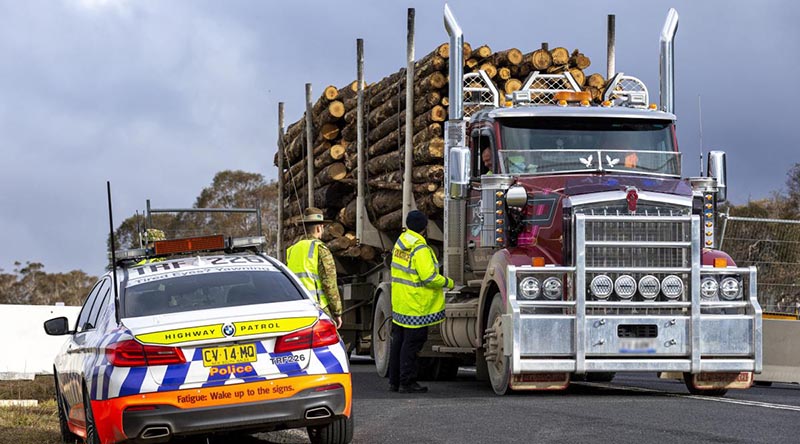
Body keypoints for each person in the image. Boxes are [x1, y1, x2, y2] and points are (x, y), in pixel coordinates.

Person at [388, 210, 454, 393]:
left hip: (401, 302)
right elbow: (429, 277)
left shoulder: (401, 243)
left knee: (399, 342)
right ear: (425, 228)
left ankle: (395, 381)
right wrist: (448, 282)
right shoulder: (420, 248)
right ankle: (407, 382)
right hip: (416, 305)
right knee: (413, 344)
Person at [285, 207, 343, 328]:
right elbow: (329, 284)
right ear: (318, 228)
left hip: (297, 308)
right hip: (317, 308)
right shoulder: (320, 249)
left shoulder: (292, 250)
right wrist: (337, 312)